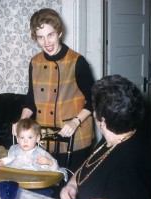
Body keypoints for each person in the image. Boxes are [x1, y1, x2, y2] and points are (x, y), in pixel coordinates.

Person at [12, 8, 95, 171]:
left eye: (50, 35)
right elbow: (31, 99)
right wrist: (21, 122)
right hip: (45, 138)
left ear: (59, 32)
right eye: (40, 37)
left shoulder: (77, 61)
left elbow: (94, 99)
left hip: (75, 137)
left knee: (71, 189)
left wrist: (75, 121)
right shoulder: (34, 62)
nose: (46, 42)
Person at [60, 75, 151, 199]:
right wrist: (72, 184)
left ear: (102, 122)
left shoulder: (130, 166)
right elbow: (89, 165)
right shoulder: (116, 135)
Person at [0, 118, 67, 180]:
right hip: (18, 180)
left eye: (30, 137)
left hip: (36, 182)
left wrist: (49, 162)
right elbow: (10, 158)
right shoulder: (15, 150)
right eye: (22, 137)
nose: (25, 141)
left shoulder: (41, 153)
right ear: (17, 139)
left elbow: (56, 169)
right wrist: (0, 162)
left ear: (37, 138)